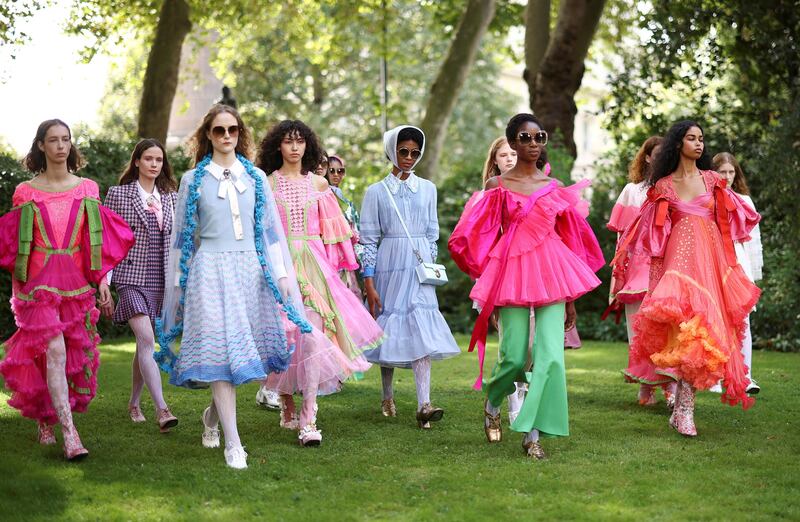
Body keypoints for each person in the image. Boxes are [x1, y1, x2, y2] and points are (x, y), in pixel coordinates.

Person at [155, 105, 310, 468]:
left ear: (240, 134)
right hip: (208, 271)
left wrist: (282, 275)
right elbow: (182, 239)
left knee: (240, 359)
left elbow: (269, 231)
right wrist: (178, 285)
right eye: (219, 130)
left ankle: (212, 417)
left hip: (249, 272)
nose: (227, 136)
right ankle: (234, 444)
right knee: (221, 357)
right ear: (207, 135)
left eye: (233, 130)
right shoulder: (194, 180)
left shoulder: (256, 177)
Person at [449, 114, 604, 459]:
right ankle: (492, 402)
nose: (534, 144)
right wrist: (482, 282)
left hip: (553, 274)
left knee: (550, 359)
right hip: (511, 274)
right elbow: (479, 235)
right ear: (513, 142)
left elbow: (570, 239)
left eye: (540, 137)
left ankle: (532, 435)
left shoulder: (555, 187)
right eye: (525, 137)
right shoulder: (496, 187)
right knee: (515, 357)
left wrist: (572, 299)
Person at [614, 120, 760, 437]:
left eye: (701, 139)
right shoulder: (663, 186)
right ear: (678, 143)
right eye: (692, 138)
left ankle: (683, 409)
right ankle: (683, 411)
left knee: (702, 336)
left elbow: (736, 219)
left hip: (708, 266)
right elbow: (653, 234)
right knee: (684, 337)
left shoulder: (713, 181)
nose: (699, 144)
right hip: (678, 267)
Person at [0, 119, 133, 460]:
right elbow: (17, 245)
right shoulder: (25, 192)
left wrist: (103, 281)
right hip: (38, 286)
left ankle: (47, 417)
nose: (60, 146)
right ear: (41, 146)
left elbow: (96, 241)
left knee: (66, 352)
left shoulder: (87, 188)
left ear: (70, 145)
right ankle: (69, 433)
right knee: (55, 352)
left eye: (65, 140)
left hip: (75, 283)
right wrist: (19, 295)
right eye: (53, 140)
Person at [256, 120, 382, 440]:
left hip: (315, 267)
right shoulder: (267, 184)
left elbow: (335, 234)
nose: (295, 147)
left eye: (300, 141)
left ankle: (308, 418)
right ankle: (286, 403)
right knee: (285, 338)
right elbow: (263, 233)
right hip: (280, 266)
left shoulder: (320, 186)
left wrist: (341, 272)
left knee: (312, 337)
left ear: (308, 146)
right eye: (288, 141)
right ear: (278, 147)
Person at [360, 125, 460, 429]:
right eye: (403, 151)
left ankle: (424, 404)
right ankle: (387, 395)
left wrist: (427, 262)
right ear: (392, 151)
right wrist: (369, 281)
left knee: (421, 325)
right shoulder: (376, 192)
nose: (409, 158)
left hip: (418, 267)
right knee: (390, 325)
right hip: (389, 263)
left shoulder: (428, 188)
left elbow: (432, 232)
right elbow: (367, 239)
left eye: (415, 153)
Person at [104, 139, 179, 431]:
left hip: (160, 279)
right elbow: (108, 242)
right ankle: (163, 409)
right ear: (137, 161)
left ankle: (134, 402)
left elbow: (178, 242)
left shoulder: (171, 197)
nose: (153, 164)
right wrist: (104, 284)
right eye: (148, 158)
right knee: (147, 339)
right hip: (131, 278)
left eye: (158, 160)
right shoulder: (119, 195)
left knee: (142, 346)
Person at [607, 136, 677, 407]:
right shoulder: (631, 191)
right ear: (647, 157)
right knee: (638, 330)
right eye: (656, 154)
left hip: (666, 269)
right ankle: (646, 389)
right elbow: (621, 239)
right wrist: (617, 276)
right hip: (636, 270)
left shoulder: (674, 189)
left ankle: (670, 385)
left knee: (666, 329)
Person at [712, 152, 763, 394]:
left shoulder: (744, 201)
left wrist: (752, 273)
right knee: (713, 318)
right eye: (722, 171)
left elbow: (753, 241)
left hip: (739, 263)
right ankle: (713, 377)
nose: (727, 176)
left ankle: (746, 376)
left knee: (742, 319)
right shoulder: (707, 199)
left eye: (731, 172)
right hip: (715, 262)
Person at [326, 154, 362, 300]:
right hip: (330, 258)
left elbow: (357, 232)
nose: (336, 174)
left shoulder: (346, 201)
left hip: (349, 258)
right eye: (332, 170)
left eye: (340, 171)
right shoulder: (322, 196)